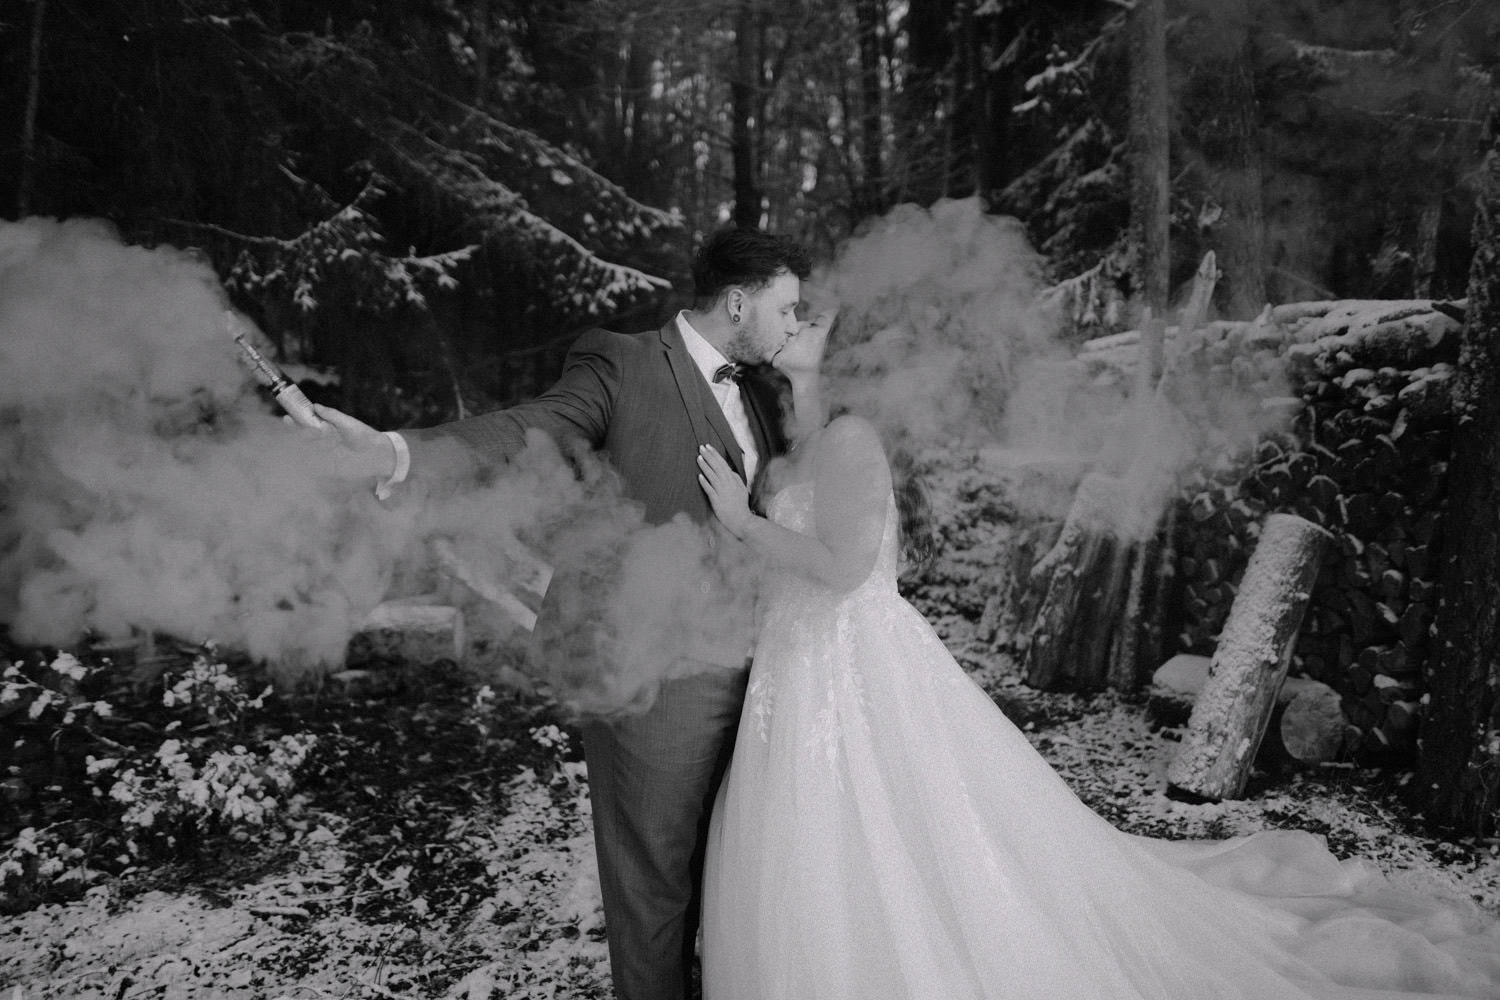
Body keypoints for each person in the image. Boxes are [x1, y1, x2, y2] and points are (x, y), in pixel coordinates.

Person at [693, 317, 1500, 999]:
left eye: (810, 315)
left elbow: (845, 568)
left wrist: (743, 523)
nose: (797, 320)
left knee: (901, 823)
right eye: (793, 312)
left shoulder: (852, 437)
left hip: (856, 664)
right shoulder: (791, 445)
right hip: (795, 667)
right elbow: (797, 562)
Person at [313, 227, 821, 1000]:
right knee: (653, 884)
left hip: (759, 661)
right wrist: (397, 453)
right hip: (651, 669)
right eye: (787, 309)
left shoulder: (765, 386)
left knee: (729, 870)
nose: (794, 326)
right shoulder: (619, 362)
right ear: (739, 301)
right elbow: (526, 430)